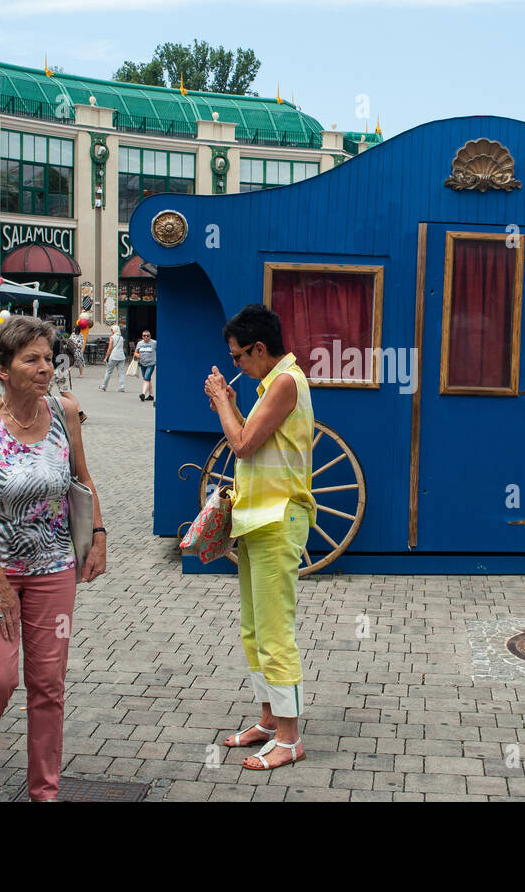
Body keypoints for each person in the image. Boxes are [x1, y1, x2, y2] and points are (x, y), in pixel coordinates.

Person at [0, 316, 107, 802]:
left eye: (47, 358)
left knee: (47, 684)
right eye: (31, 360)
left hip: (53, 567)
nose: (44, 368)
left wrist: (97, 535)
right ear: (1, 367)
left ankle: (45, 790)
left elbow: (81, 478)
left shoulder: (64, 412)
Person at [203, 304, 315, 771]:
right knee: (253, 630)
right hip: (255, 518)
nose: (236, 365)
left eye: (238, 357)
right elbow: (250, 441)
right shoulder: (272, 382)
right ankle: (269, 720)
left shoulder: (286, 381)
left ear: (260, 349)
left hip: (277, 519)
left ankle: (289, 737)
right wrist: (230, 405)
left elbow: (242, 443)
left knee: (273, 631)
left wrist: (225, 404)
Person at [99, 325, 127, 392]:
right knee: (121, 373)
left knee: (109, 372)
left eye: (111, 330)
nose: (111, 331)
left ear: (114, 330)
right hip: (121, 356)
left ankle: (103, 386)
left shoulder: (112, 337)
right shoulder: (121, 338)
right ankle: (122, 387)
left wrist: (106, 357)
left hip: (114, 356)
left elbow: (109, 348)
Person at [135, 329, 157, 402]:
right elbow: (135, 352)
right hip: (142, 364)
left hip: (151, 364)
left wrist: (157, 362)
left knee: (146, 378)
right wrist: (137, 355)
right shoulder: (140, 343)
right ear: (142, 336)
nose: (146, 337)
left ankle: (143, 394)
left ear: (150, 336)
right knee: (147, 379)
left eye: (147, 336)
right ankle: (151, 395)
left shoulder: (154, 343)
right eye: (144, 336)